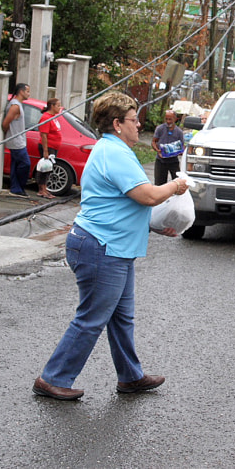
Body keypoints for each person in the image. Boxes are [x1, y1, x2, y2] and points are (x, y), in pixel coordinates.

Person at [32, 91, 189, 401]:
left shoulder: (114, 149)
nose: (139, 124)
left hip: (113, 246)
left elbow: (123, 204)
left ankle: (130, 376)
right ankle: (53, 378)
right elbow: (147, 195)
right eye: (133, 120)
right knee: (91, 318)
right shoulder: (114, 153)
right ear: (117, 124)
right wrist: (176, 185)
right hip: (101, 247)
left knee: (121, 317)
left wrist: (156, 226)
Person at [2, 83, 31, 197]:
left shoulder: (18, 105)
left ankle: (15, 188)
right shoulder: (15, 106)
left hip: (18, 140)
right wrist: (10, 134)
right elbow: (5, 123)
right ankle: (18, 187)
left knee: (15, 164)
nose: (29, 94)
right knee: (25, 163)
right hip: (16, 141)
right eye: (27, 91)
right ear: (21, 92)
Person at [37, 98, 63, 199]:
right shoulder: (46, 117)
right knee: (45, 168)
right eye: (58, 105)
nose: (59, 108)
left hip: (54, 146)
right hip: (48, 146)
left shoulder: (53, 117)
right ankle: (41, 189)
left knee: (49, 168)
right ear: (52, 106)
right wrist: (45, 150)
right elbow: (44, 135)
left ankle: (45, 188)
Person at [151, 109, 185, 185]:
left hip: (173, 161)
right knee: (159, 184)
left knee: (178, 183)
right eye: (166, 119)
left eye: (170, 119)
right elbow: (153, 142)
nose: (168, 121)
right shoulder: (160, 129)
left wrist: (180, 151)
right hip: (161, 160)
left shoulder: (179, 132)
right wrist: (158, 150)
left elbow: (182, 146)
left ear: (175, 119)